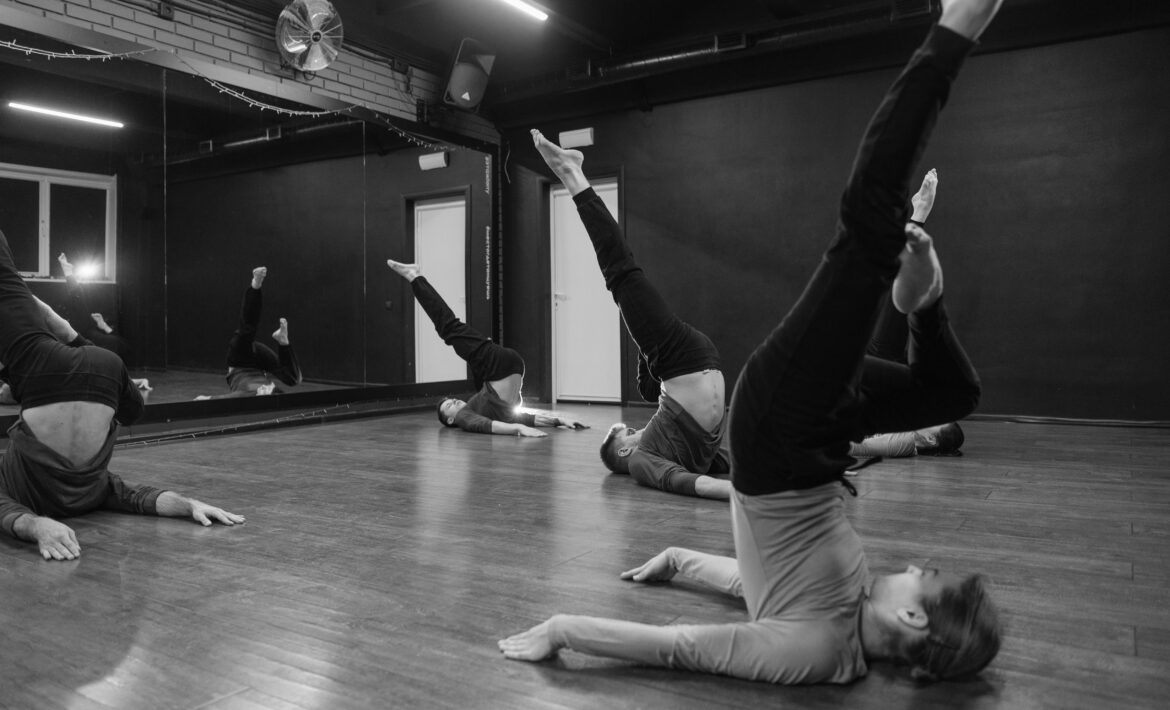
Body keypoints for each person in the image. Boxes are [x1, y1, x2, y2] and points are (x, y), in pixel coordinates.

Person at [501, 0, 1002, 684]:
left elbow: (685, 646)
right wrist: (679, 559)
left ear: (914, 617)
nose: (916, 565)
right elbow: (764, 580)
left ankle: (954, 33)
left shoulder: (814, 651)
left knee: (867, 228)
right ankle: (921, 300)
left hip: (776, 431)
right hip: (817, 445)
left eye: (927, 577)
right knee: (956, 393)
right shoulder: (848, 613)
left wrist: (566, 629)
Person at [0, 230, 243, 561]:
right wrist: (188, 505)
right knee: (7, 283)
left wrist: (189, 505)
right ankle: (55, 322)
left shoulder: (97, 491)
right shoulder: (89, 491)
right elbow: (139, 497)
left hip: (98, 365)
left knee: (130, 409)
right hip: (60, 365)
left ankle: (60, 325)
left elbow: (138, 497)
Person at [530, 133, 731, 500]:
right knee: (619, 271)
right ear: (623, 451)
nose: (636, 431)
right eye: (629, 433)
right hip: (689, 359)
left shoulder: (656, 446)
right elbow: (693, 482)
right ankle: (570, 172)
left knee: (622, 278)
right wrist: (750, 494)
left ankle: (573, 175)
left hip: (684, 364)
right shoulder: (642, 461)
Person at [386, 259, 588, 437]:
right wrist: (536, 425)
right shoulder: (464, 417)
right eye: (449, 406)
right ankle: (414, 276)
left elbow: (510, 421)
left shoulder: (477, 407)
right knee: (448, 328)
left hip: (503, 366)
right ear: (450, 420)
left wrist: (552, 422)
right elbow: (492, 425)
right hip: (500, 366)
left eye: (452, 400)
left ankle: (415, 277)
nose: (455, 401)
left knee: (449, 329)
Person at [195, 266, 302, 400]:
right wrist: (271, 390)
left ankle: (255, 286)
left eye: (265, 390)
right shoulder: (272, 392)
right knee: (294, 378)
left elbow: (230, 398)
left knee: (247, 330)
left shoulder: (248, 396)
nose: (265, 388)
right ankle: (283, 341)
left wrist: (208, 399)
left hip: (240, 359)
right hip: (259, 360)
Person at [56, 252, 132, 366]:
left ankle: (68, 274)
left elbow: (123, 346)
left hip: (89, 341)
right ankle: (69, 274)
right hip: (90, 337)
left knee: (78, 306)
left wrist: (105, 327)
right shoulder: (113, 343)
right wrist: (104, 325)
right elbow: (122, 344)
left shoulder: (116, 358)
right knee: (80, 306)